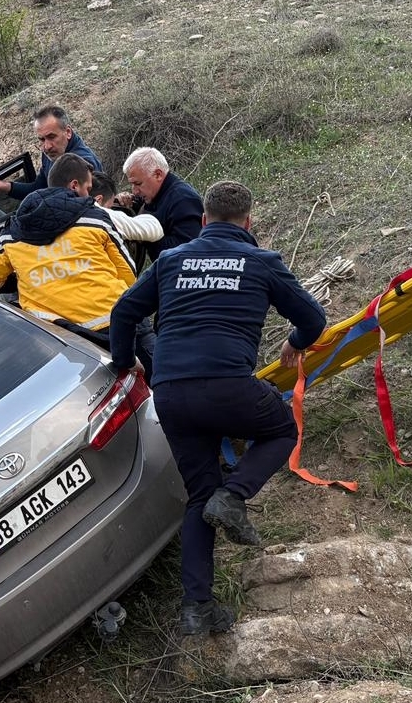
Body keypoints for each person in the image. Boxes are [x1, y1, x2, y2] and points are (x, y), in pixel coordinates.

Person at [108, 180, 326, 636]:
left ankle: (197, 608)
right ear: (250, 223)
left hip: (171, 393)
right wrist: (295, 342)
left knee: (198, 496)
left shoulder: (170, 260)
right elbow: (313, 319)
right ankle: (235, 495)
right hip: (228, 386)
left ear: (203, 221)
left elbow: (125, 312)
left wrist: (126, 363)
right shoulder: (261, 262)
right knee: (282, 430)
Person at [0, 154, 145, 362]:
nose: (89, 195)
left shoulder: (13, 234)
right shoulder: (94, 217)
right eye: (88, 189)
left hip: (71, 342)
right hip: (121, 322)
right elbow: (127, 272)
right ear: (74, 186)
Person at [0, 105, 103, 200]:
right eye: (41, 139)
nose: (47, 146)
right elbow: (38, 189)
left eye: (51, 137)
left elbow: (93, 208)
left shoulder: (84, 163)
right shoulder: (52, 155)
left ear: (67, 132)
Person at [119, 146, 203, 264]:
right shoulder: (155, 193)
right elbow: (148, 206)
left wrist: (142, 233)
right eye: (132, 184)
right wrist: (123, 202)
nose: (134, 191)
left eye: (138, 183)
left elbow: (187, 253)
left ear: (158, 175)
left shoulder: (183, 200)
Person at [91, 171, 164, 244]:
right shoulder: (101, 216)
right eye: (109, 207)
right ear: (98, 200)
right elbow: (154, 229)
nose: (110, 210)